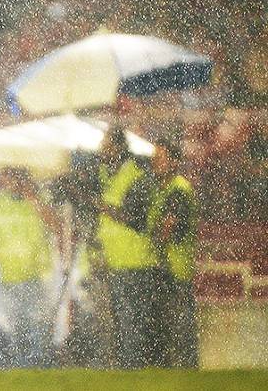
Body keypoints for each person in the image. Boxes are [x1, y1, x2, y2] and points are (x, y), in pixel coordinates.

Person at [92, 125, 166, 368]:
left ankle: (134, 373)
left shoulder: (136, 178)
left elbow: (135, 219)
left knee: (133, 325)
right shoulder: (109, 177)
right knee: (124, 325)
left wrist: (101, 206)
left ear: (118, 148)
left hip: (136, 265)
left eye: (106, 145)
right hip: (117, 264)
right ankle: (129, 372)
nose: (102, 150)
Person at [0, 168, 58, 367]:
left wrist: (33, 199)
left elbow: (56, 225)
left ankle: (40, 371)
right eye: (9, 177)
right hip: (8, 278)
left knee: (40, 328)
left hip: (38, 277)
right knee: (15, 331)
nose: (13, 182)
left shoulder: (40, 199)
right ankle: (23, 371)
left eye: (17, 177)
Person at [148, 139, 199, 368]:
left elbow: (166, 228)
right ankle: (178, 370)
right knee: (172, 326)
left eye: (161, 158)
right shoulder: (165, 188)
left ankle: (187, 370)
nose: (155, 162)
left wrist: (150, 239)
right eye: (155, 157)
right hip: (169, 268)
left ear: (175, 162)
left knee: (180, 326)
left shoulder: (177, 189)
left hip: (175, 269)